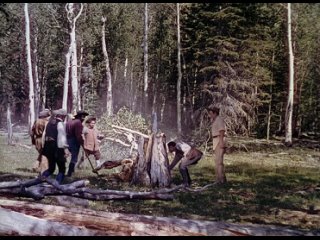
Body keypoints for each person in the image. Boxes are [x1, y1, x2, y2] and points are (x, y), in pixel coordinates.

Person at [41, 109, 70, 184]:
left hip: (49, 148)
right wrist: (65, 149)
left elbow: (45, 136)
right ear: (61, 116)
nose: (64, 118)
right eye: (64, 116)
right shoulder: (60, 124)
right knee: (62, 169)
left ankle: (40, 180)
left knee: (51, 168)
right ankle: (57, 185)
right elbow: (62, 138)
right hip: (57, 149)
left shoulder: (49, 123)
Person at [66, 110, 89, 177]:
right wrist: (81, 141)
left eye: (84, 116)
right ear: (79, 116)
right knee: (74, 158)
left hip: (68, 140)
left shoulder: (69, 122)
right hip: (74, 141)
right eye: (83, 116)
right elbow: (78, 135)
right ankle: (70, 173)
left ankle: (68, 172)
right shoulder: (78, 123)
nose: (84, 118)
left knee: (68, 156)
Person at [207, 106, 227, 184]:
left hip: (219, 140)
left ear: (215, 113)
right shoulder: (215, 120)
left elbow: (222, 131)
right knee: (217, 161)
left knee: (219, 162)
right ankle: (221, 179)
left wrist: (221, 142)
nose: (209, 115)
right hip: (216, 140)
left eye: (211, 113)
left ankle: (220, 180)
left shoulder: (219, 120)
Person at [31, 109, 51, 174]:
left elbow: (32, 133)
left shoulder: (36, 121)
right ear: (46, 116)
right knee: (45, 155)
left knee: (41, 153)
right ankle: (44, 170)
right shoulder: (46, 122)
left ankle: (35, 165)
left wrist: (33, 140)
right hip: (43, 139)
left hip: (37, 139)